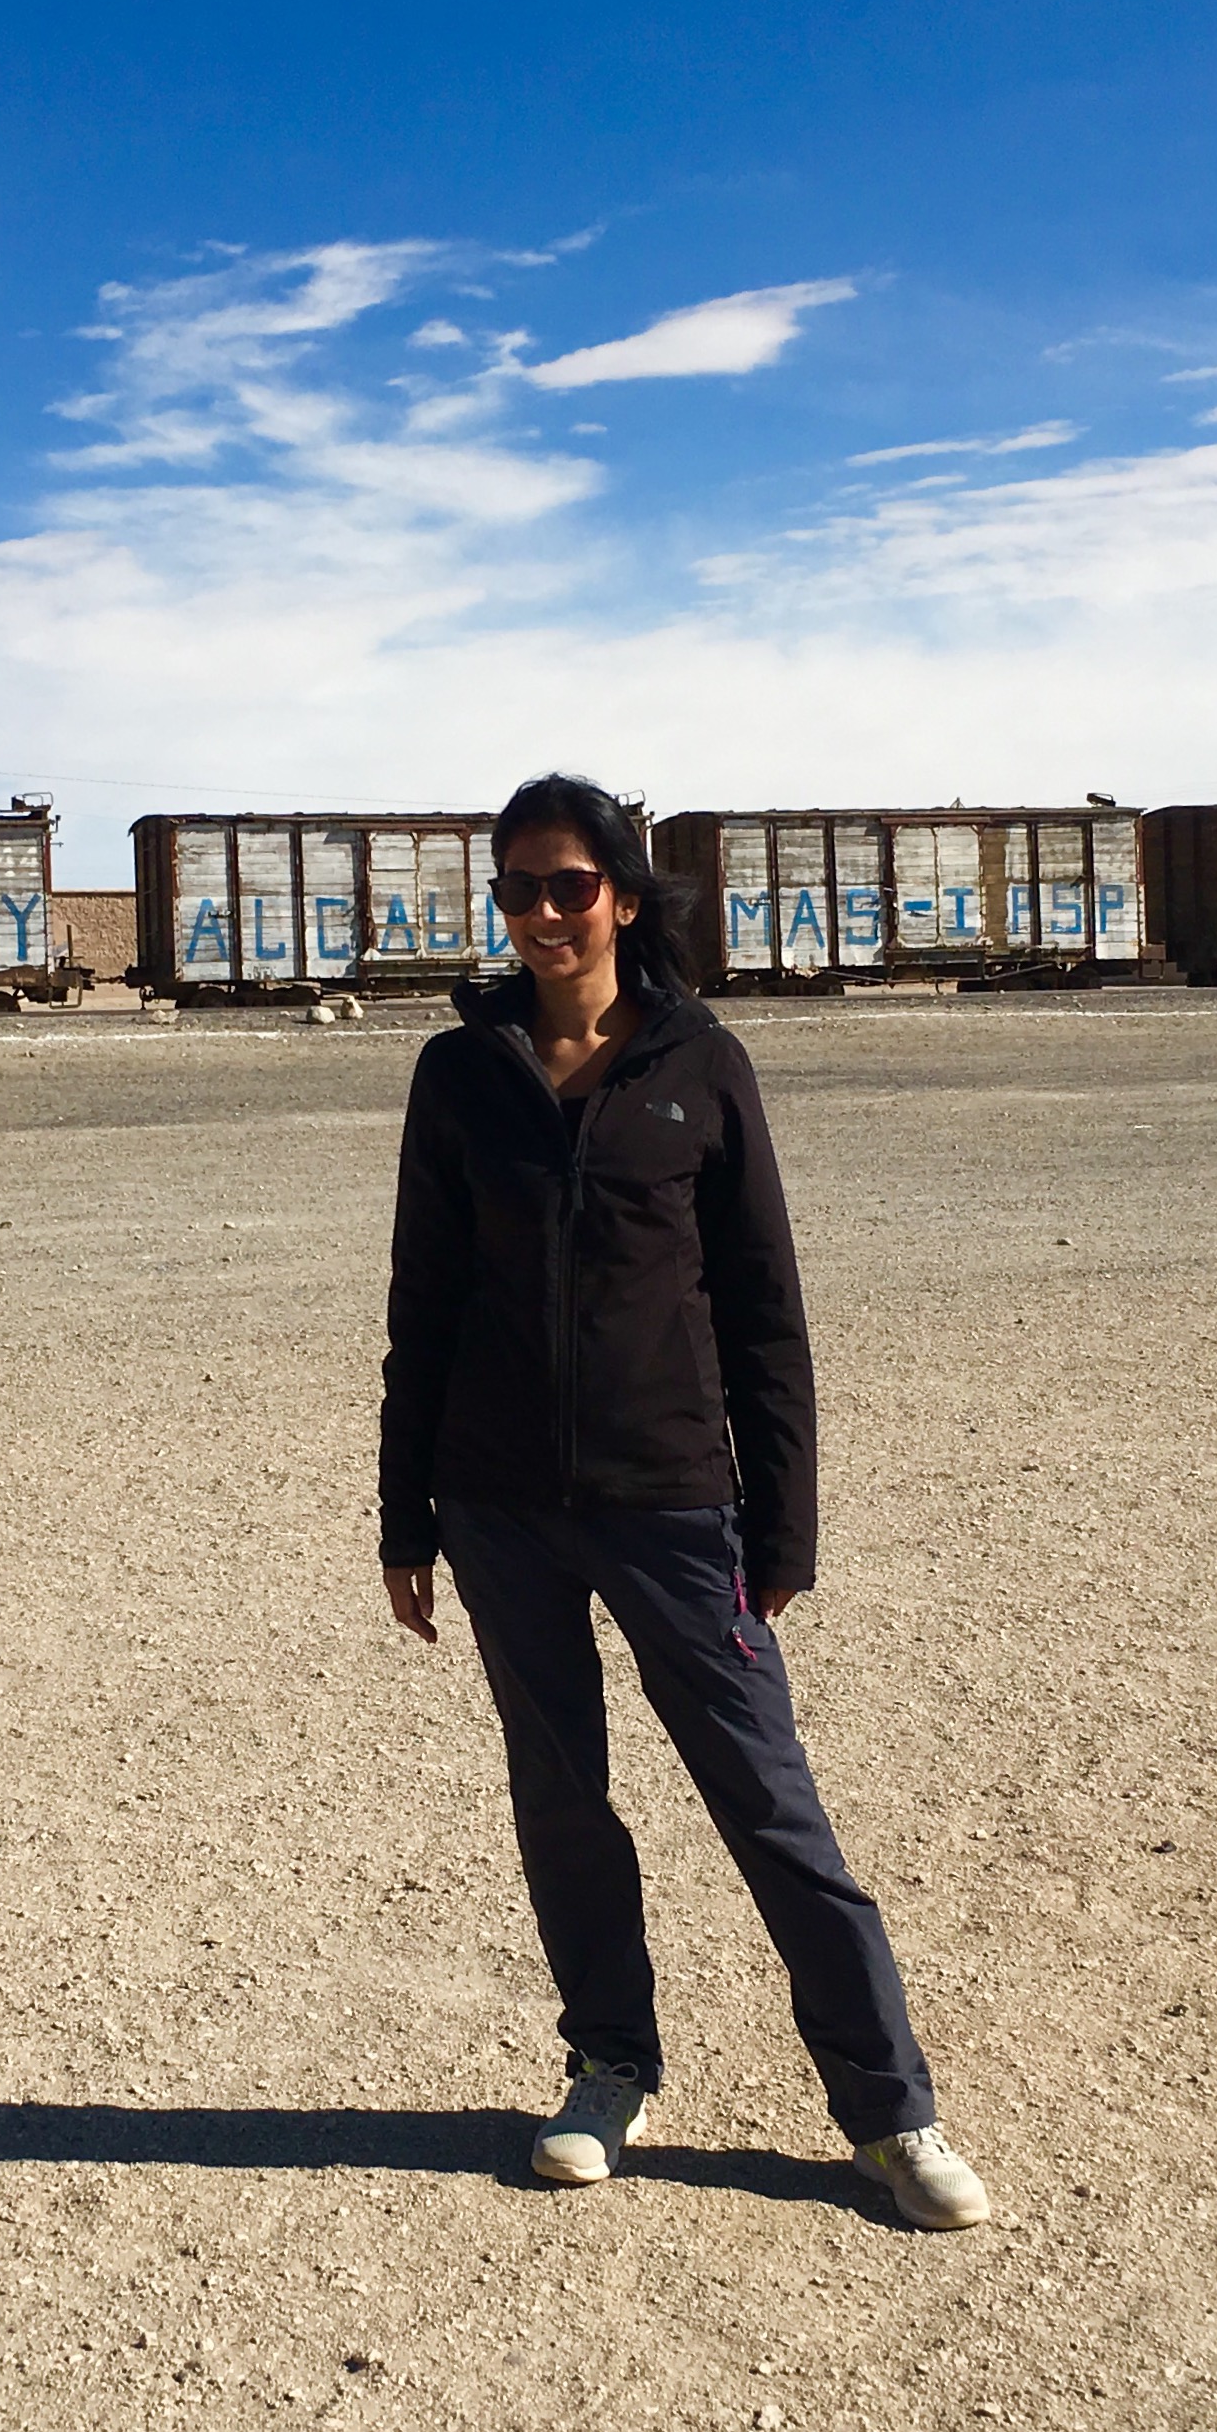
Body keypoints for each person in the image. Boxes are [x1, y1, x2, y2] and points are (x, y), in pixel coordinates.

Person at [376, 773, 989, 2231]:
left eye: (568, 885)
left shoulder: (700, 1064)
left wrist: (783, 1524)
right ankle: (608, 2065)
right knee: (561, 1800)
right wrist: (405, 1513)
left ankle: (890, 2111)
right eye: (518, 887)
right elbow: (423, 1302)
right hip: (501, 1506)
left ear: (624, 897)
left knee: (768, 1805)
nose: (542, 912)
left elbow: (766, 1309)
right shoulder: (458, 1075)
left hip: (671, 1501)